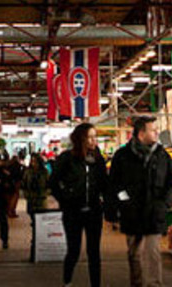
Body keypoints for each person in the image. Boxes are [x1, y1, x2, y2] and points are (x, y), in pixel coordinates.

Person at [109, 116, 172, 287]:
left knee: (153, 252)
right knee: (135, 254)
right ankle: (137, 283)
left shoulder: (162, 155)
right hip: (132, 213)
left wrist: (165, 203)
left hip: (154, 211)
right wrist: (125, 202)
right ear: (141, 134)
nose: (156, 133)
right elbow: (115, 184)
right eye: (153, 130)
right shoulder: (122, 156)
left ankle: (154, 284)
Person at [49, 123, 108, 287]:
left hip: (94, 212)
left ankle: (96, 284)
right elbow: (53, 182)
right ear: (80, 138)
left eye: (95, 137)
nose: (93, 140)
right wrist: (65, 199)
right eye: (90, 137)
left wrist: (108, 201)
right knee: (73, 250)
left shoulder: (98, 159)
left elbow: (104, 183)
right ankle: (67, 281)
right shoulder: (67, 158)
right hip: (73, 212)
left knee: (94, 252)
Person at [21, 153, 51, 262]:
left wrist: (45, 194)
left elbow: (49, 185)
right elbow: (23, 184)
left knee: (39, 226)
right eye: (32, 161)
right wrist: (27, 195)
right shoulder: (27, 172)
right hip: (31, 201)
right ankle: (34, 251)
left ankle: (37, 250)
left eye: (35, 161)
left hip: (41, 201)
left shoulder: (45, 172)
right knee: (34, 224)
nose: (33, 163)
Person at [6, 152, 25, 218]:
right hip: (16, 182)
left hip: (9, 183)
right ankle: (12, 211)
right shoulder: (18, 165)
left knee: (9, 197)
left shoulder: (8, 165)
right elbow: (20, 174)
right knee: (15, 196)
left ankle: (9, 210)